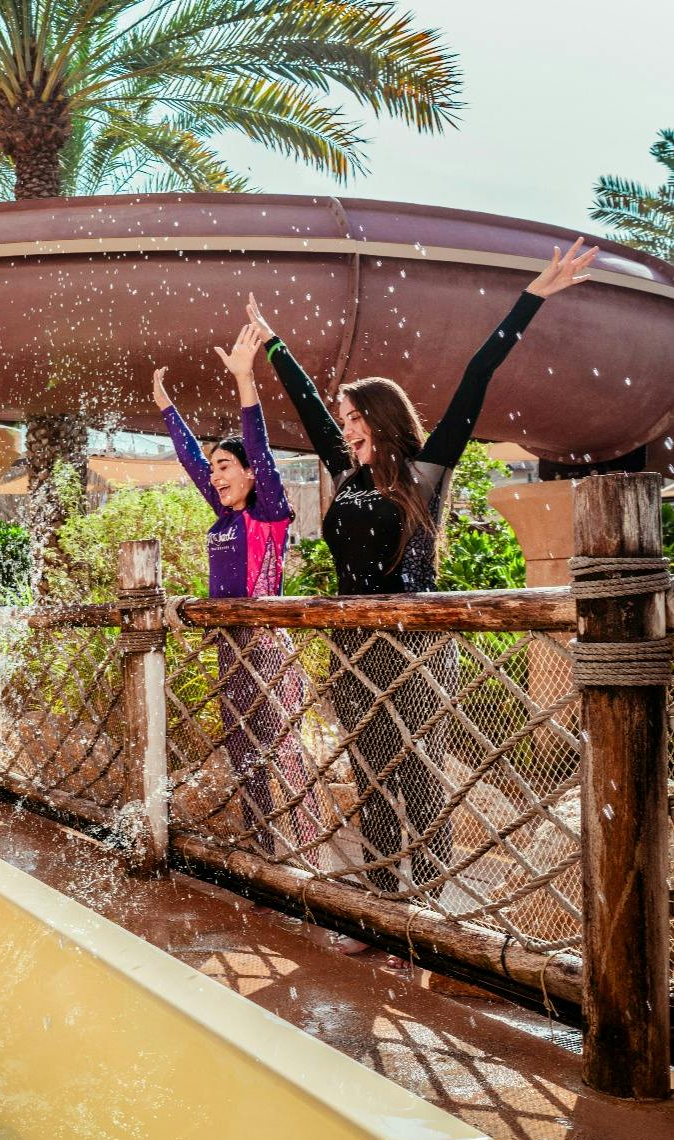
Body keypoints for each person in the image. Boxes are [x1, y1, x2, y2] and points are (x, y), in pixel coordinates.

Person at [248, 238, 598, 897]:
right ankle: (383, 900)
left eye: (354, 417)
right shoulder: (342, 470)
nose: (343, 426)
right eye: (343, 418)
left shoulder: (424, 471)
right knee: (370, 770)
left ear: (380, 419)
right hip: (350, 643)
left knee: (419, 777)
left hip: (415, 641)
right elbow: (304, 403)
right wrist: (273, 344)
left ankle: (431, 903)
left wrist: (533, 297)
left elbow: (475, 375)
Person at [153, 322, 323, 858]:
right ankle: (261, 848)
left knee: (287, 752)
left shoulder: (268, 514)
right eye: (216, 469)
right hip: (230, 651)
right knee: (244, 751)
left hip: (267, 648)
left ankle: (311, 855)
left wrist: (246, 380)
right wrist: (166, 409)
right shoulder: (223, 513)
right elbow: (190, 461)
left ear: (252, 475)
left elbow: (260, 448)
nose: (216, 475)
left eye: (226, 466)